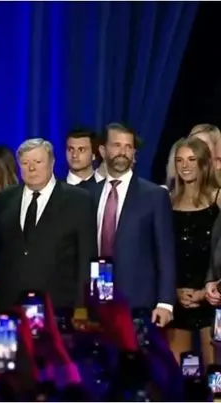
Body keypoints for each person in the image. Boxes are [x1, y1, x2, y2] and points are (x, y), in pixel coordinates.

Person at [0, 138, 97, 309]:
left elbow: (86, 258)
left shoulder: (79, 201)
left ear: (52, 162)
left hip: (59, 306)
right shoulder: (4, 200)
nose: (31, 168)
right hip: (10, 304)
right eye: (25, 163)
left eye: (38, 162)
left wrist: (82, 306)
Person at [93, 123, 176, 326]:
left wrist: (165, 302)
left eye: (128, 147)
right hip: (96, 302)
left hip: (139, 304)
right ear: (103, 150)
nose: (123, 152)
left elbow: (165, 252)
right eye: (117, 145)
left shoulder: (154, 195)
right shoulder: (88, 193)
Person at [166, 137, 219, 366]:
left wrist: (205, 292)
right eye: (179, 160)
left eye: (191, 159)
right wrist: (174, 291)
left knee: (214, 374)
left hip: (213, 299)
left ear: (203, 163)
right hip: (179, 300)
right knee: (179, 374)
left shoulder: (218, 198)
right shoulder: (167, 202)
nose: (185, 166)